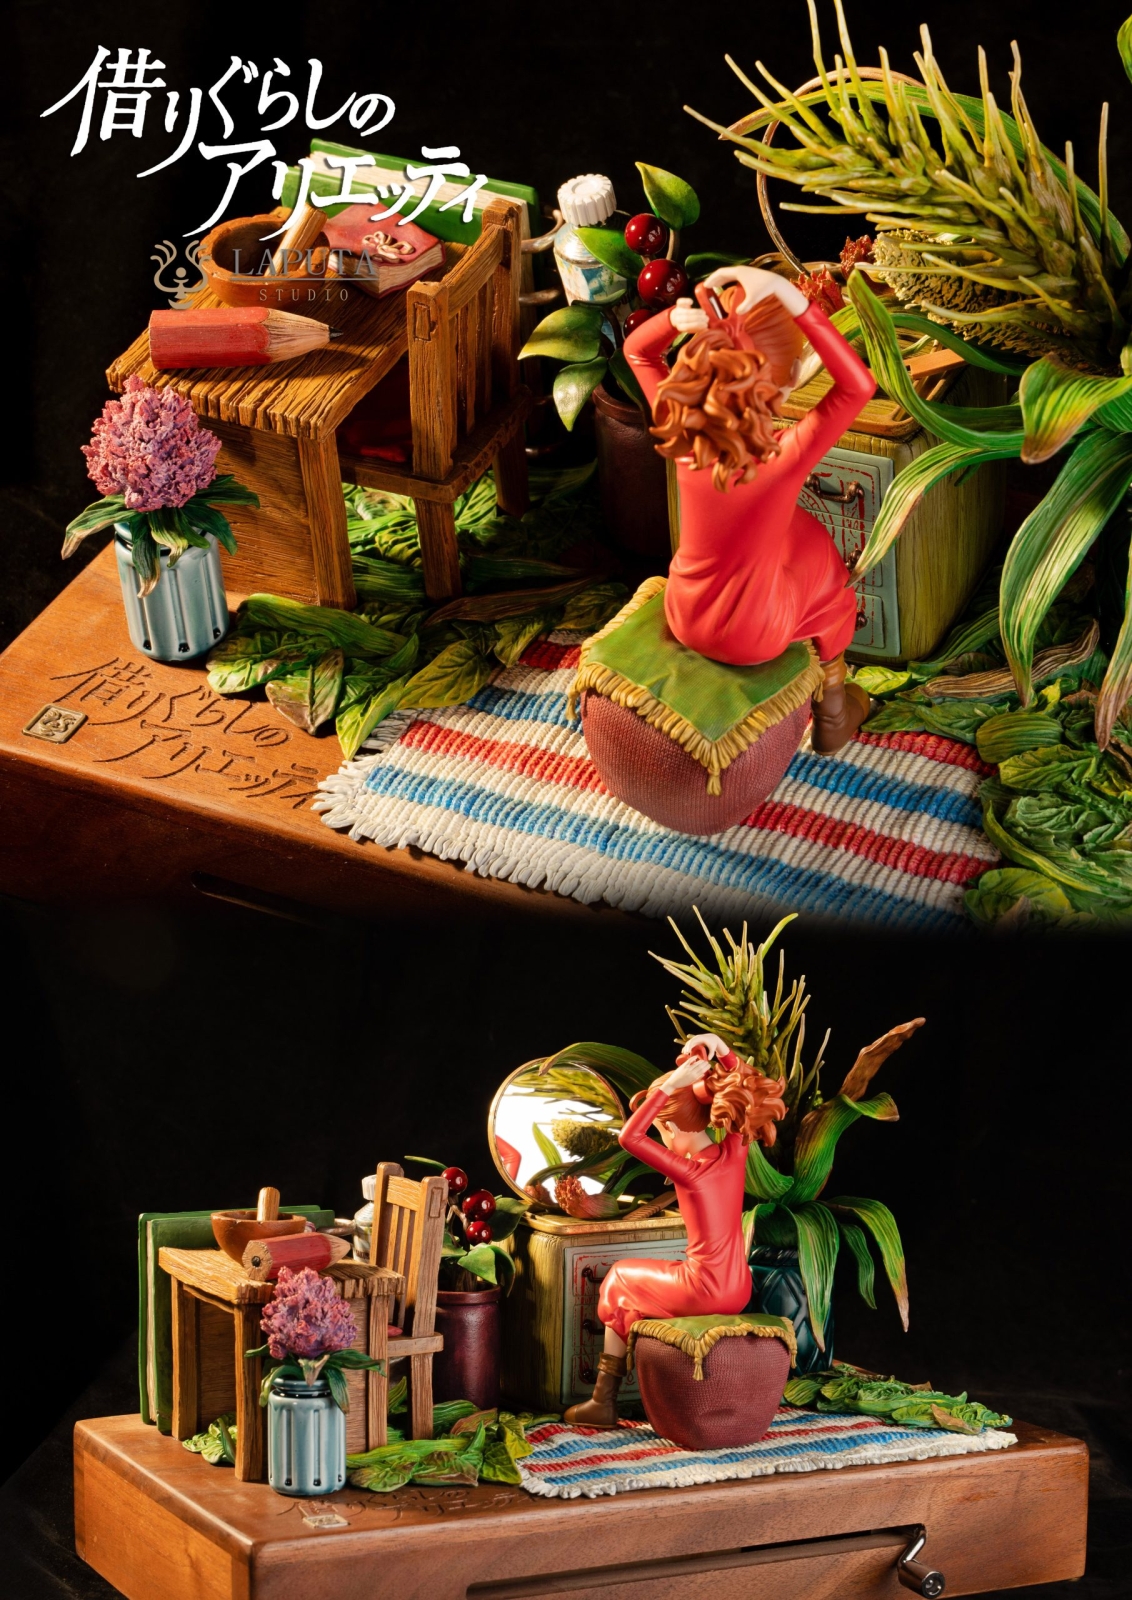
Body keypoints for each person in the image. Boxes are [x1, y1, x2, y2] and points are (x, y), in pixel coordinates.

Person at [622, 265, 877, 753]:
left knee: (791, 529)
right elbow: (857, 386)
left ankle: (828, 704)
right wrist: (797, 304)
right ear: (787, 382)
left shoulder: (685, 428)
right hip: (756, 637)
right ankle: (834, 711)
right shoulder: (782, 459)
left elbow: (638, 351)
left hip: (684, 612)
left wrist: (674, 319)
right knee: (824, 563)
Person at [563, 1033, 786, 1428]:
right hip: (739, 1286)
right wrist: (721, 1048)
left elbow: (629, 1137)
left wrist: (668, 1088)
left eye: (661, 1131)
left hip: (704, 1288)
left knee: (619, 1277)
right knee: (640, 1288)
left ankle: (602, 1400)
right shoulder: (733, 1149)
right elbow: (750, 1088)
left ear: (667, 1124)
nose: (662, 1139)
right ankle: (614, 1390)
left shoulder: (689, 1171)